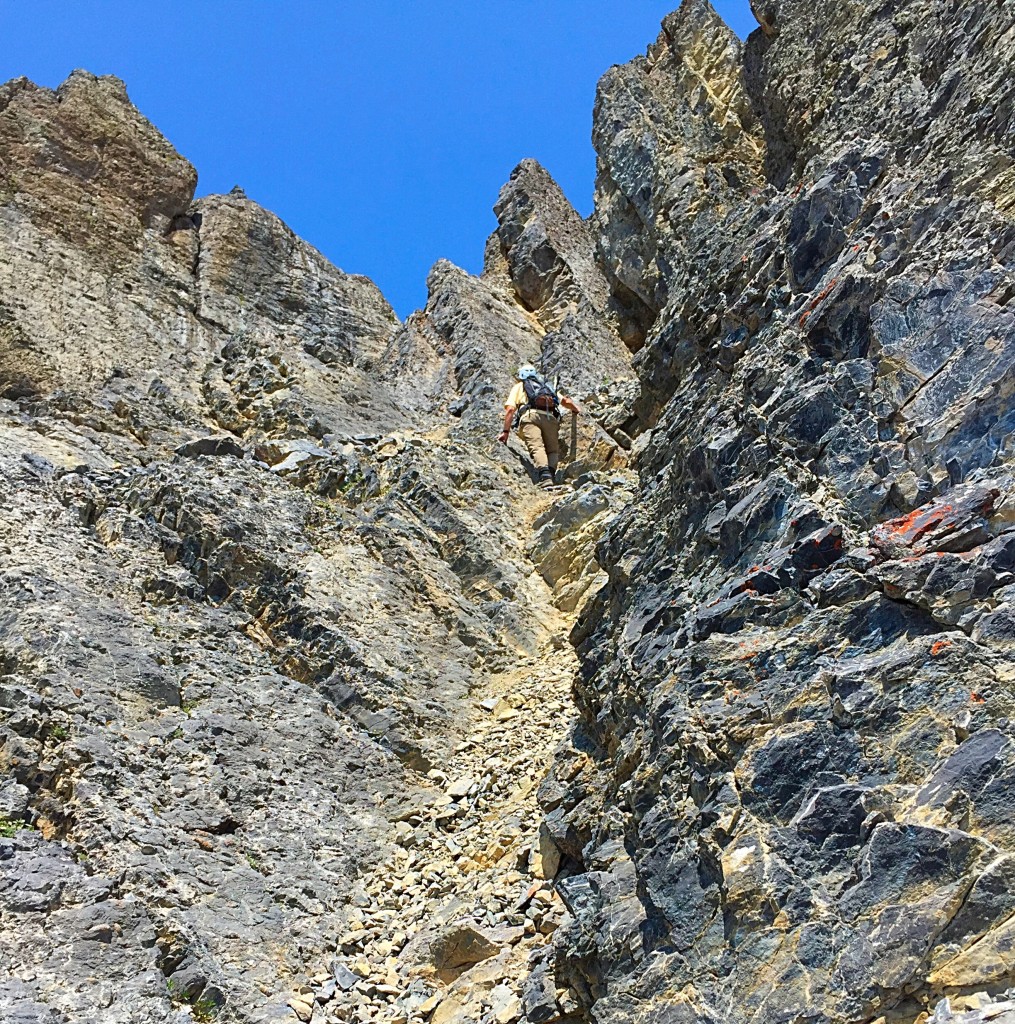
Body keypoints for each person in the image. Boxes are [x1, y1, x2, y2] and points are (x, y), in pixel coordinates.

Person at [498, 365, 581, 488]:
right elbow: (565, 402)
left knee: (537, 447)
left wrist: (505, 432)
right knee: (552, 450)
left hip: (530, 417)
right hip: (550, 418)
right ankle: (551, 475)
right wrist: (576, 409)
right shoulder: (545, 386)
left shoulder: (519, 387)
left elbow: (510, 409)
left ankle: (545, 477)